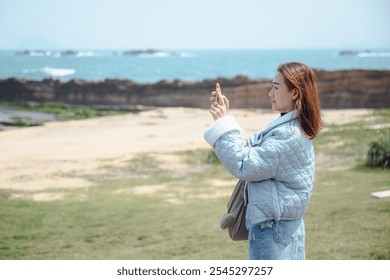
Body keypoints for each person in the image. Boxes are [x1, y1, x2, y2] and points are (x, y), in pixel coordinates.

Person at [203, 62, 323, 260]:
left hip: (273, 230)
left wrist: (224, 123)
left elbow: (243, 164)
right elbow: (253, 151)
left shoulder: (288, 135)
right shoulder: (293, 127)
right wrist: (227, 119)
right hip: (285, 226)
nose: (270, 94)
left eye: (276, 88)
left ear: (294, 93)